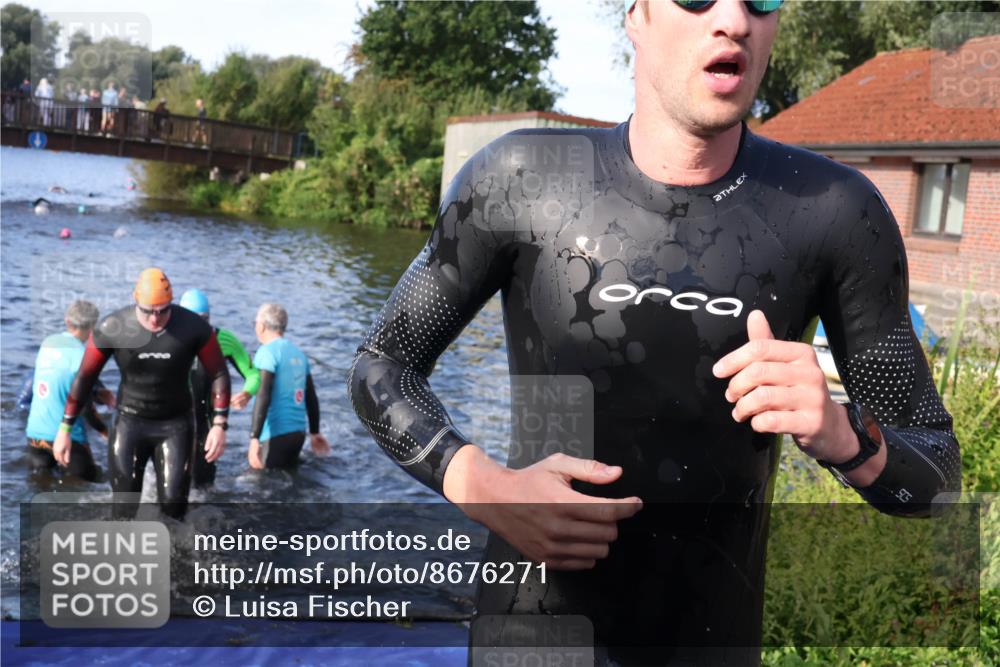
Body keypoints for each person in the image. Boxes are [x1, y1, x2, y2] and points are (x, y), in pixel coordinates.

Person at [348, 1, 962, 663]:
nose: (733, 18)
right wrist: (479, 484)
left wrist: (846, 436)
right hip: (530, 635)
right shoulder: (521, 180)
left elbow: (938, 475)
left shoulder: (834, 212)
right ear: (634, 16)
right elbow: (382, 367)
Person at [54, 268, 230, 519]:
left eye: (162, 311)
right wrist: (65, 429)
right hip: (130, 422)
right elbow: (84, 377)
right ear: (135, 300)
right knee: (124, 511)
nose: (155, 319)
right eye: (148, 311)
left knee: (174, 510)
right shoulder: (112, 327)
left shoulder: (193, 327)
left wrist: (220, 424)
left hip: (176, 425)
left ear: (171, 303)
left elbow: (219, 374)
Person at [179, 288, 261, 487]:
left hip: (209, 421)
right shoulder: (171, 339)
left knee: (204, 483)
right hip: (177, 418)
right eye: (192, 320)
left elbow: (252, 374)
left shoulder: (224, 340)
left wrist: (247, 392)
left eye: (203, 319)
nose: (198, 326)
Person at [24, 300, 113, 481]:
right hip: (68, 441)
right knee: (91, 482)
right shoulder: (85, 356)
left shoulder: (47, 343)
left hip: (34, 436)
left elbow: (60, 381)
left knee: (41, 485)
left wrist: (96, 392)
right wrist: (105, 432)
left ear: (67, 321)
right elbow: (86, 409)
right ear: (92, 327)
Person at [248, 303, 329, 469]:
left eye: (254, 322)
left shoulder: (266, 353)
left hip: (275, 435)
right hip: (298, 435)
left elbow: (263, 394)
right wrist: (314, 432)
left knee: (260, 484)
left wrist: (254, 438)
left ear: (261, 326)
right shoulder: (299, 354)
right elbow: (311, 397)